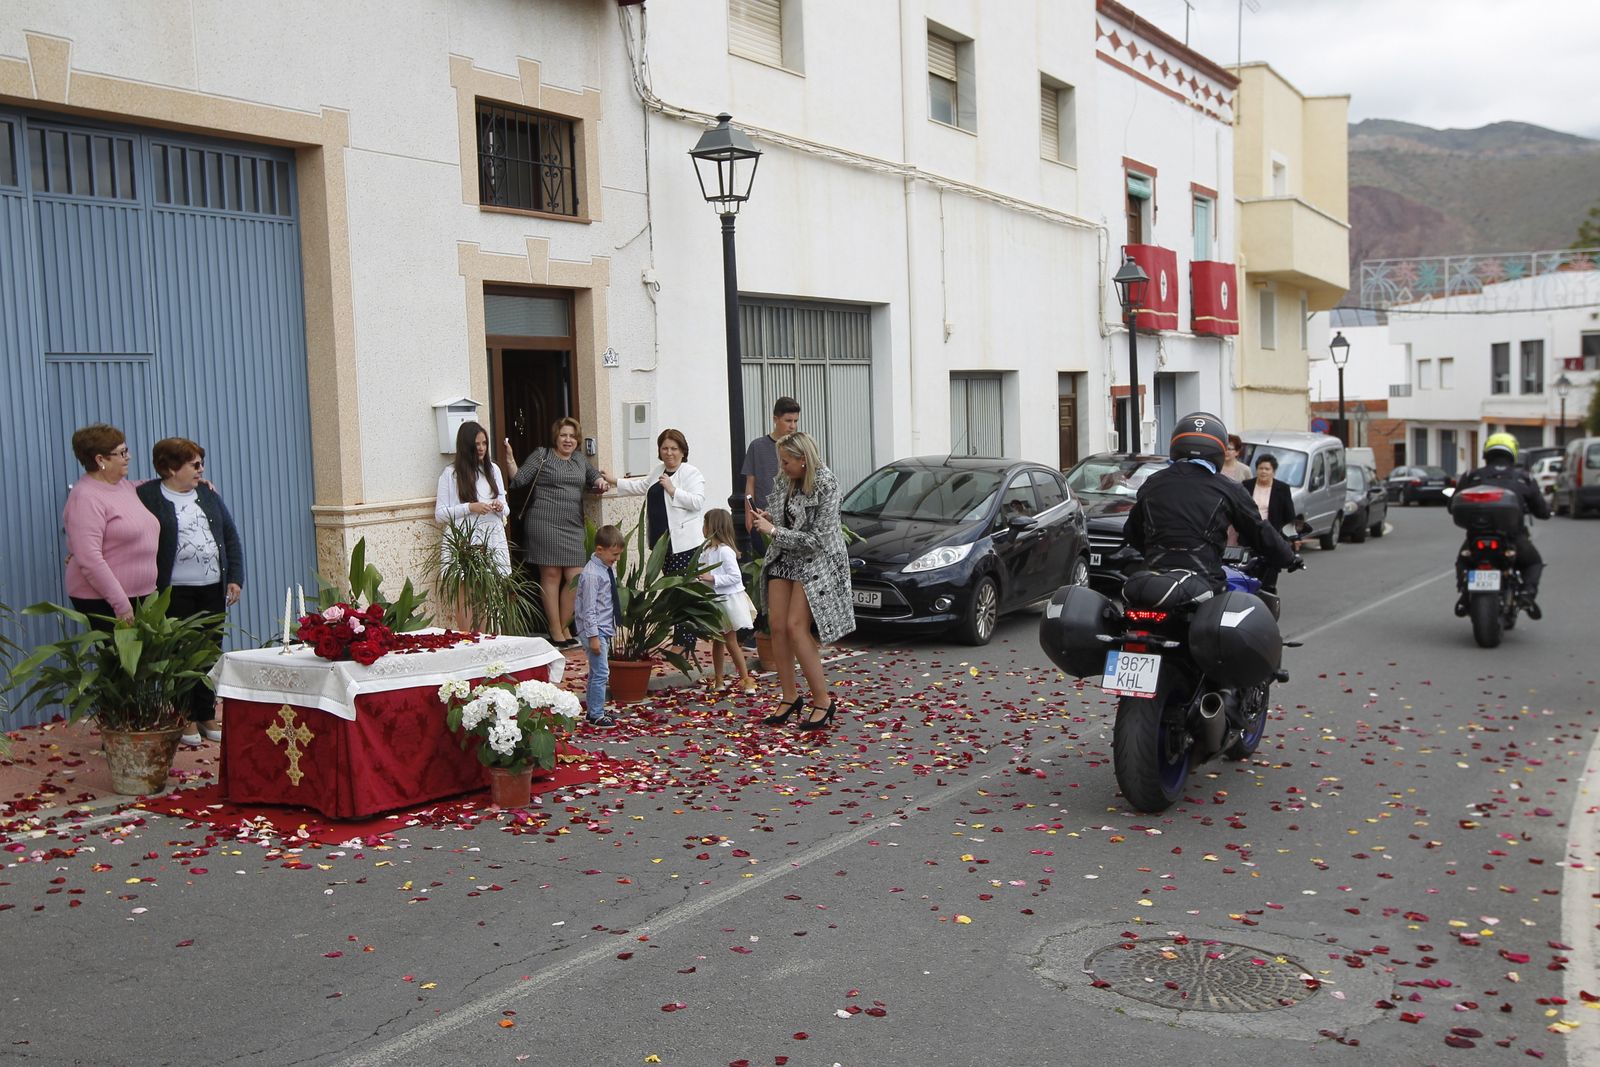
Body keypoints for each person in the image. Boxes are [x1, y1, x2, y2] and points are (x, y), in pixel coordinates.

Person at [136, 437, 244, 746]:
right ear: (171, 468)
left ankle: (205, 714)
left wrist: (235, 577)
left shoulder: (207, 494)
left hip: (211, 588)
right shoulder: (146, 495)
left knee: (209, 652)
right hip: (174, 592)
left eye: (201, 463)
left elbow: (230, 536)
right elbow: (114, 503)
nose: (201, 469)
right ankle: (182, 715)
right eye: (194, 464)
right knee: (180, 654)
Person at [749, 431, 854, 732]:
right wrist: (772, 518)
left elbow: (817, 540)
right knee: (778, 626)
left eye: (786, 462)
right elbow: (786, 517)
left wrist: (773, 531)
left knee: (796, 627)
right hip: (786, 555)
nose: (781, 468)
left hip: (815, 559)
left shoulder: (827, 484)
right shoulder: (787, 478)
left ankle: (823, 701)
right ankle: (789, 696)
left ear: (803, 460)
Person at [1124, 412, 1296, 593]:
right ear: (1218, 449)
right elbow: (1258, 530)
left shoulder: (1153, 483)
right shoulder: (1228, 488)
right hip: (1204, 581)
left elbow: (1132, 532)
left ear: (1176, 444)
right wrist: (1288, 557)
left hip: (1153, 580)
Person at [503, 417, 610, 648]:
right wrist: (510, 459)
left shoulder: (580, 460)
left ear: (577, 439)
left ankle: (563, 626)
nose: (568, 440)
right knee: (551, 575)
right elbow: (519, 478)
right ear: (556, 437)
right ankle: (555, 631)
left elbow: (594, 476)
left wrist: (601, 480)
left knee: (576, 578)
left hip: (573, 526)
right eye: (564, 435)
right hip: (544, 523)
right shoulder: (543, 455)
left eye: (572, 436)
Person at [610, 428, 708, 658]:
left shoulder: (691, 473)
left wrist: (673, 490)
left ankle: (684, 642)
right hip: (661, 545)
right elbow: (642, 486)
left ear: (683, 451)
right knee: (672, 593)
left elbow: (697, 502)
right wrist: (614, 481)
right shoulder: (658, 471)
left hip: (684, 545)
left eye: (674, 448)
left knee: (683, 593)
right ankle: (681, 640)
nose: (669, 453)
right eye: (665, 448)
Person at [63, 424, 160, 624]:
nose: (128, 457)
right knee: (119, 656)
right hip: (105, 601)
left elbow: (152, 485)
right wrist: (121, 605)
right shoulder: (85, 497)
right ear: (100, 460)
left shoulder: (125, 487)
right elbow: (90, 559)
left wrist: (189, 484)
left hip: (141, 596)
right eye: (122, 452)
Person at [1451, 432, 1550, 617]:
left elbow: (1451, 507)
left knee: (1463, 560)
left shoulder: (1471, 476)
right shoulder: (1524, 478)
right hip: (1512, 538)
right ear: (1512, 453)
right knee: (1533, 562)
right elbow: (1542, 512)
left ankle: (1464, 595)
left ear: (1486, 453)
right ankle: (1527, 594)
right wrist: (1545, 510)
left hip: (1476, 537)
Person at [435, 420, 510, 584]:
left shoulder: (493, 470)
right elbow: (440, 514)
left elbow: (506, 509)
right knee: (466, 596)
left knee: (491, 597)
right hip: (465, 540)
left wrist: (499, 507)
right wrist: (470, 507)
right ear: (466, 446)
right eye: (476, 444)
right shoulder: (450, 474)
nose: (482, 448)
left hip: (492, 537)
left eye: (484, 443)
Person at [699, 509, 756, 694]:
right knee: (717, 641)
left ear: (713, 527)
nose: (702, 528)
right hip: (714, 602)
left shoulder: (725, 552)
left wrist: (712, 578)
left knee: (731, 641)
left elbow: (735, 577)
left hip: (727, 602)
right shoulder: (706, 551)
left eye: (705, 524)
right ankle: (719, 679)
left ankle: (746, 679)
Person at [574, 524, 625, 728]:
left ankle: (594, 710)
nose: (617, 559)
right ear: (599, 549)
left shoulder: (605, 569)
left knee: (597, 671)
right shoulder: (592, 575)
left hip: (603, 628)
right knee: (602, 672)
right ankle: (595, 713)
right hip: (595, 630)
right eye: (614, 554)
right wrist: (594, 637)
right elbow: (589, 609)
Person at [742, 396, 801, 547]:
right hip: (763, 516)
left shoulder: (800, 447)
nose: (793, 426)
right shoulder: (757, 446)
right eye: (788, 421)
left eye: (795, 421)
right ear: (776, 419)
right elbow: (750, 483)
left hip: (792, 519)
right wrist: (749, 513)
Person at [1245, 453, 1299, 592]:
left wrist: (1294, 538)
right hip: (1249, 537)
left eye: (1267, 469)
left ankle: (1268, 603)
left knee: (1269, 579)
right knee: (1248, 576)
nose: (1263, 472)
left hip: (1272, 538)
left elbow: (1290, 516)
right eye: (1261, 468)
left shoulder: (1282, 489)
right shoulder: (1246, 486)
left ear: (1273, 471)